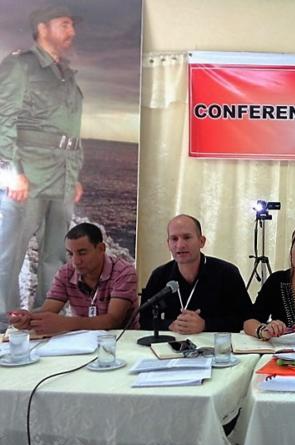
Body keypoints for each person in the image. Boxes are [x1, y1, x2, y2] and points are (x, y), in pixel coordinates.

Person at [0, 6, 84, 323]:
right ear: (42, 27)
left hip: (60, 177)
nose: (71, 31)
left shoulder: (65, 75)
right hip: (29, 175)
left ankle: (48, 317)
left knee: (58, 255)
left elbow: (70, 133)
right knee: (11, 252)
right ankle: (2, 323)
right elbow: (3, 119)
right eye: (65, 23)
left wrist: (72, 175)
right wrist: (13, 171)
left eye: (72, 24)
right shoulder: (21, 66)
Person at [8, 222, 138, 335]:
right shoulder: (66, 272)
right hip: (81, 342)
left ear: (101, 249)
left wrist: (66, 323)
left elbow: (113, 320)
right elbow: (48, 311)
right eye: (70, 254)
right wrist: (27, 319)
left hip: (122, 341)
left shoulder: (124, 272)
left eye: (82, 253)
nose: (76, 261)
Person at [140, 214, 251, 334]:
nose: (180, 245)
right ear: (168, 244)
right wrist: (170, 325)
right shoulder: (159, 275)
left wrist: (205, 325)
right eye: (174, 239)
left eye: (187, 237)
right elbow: (144, 320)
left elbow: (246, 318)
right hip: (172, 346)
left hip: (215, 346)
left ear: (201, 241)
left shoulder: (227, 273)